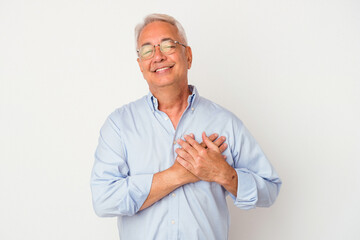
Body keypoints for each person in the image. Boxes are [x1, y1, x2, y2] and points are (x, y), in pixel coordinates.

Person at [90, 13, 282, 240]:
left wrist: (223, 173)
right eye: (147, 50)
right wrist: (178, 175)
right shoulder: (119, 125)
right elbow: (103, 200)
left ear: (188, 56)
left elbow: (269, 190)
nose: (158, 56)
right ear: (141, 65)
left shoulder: (225, 123)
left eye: (167, 45)